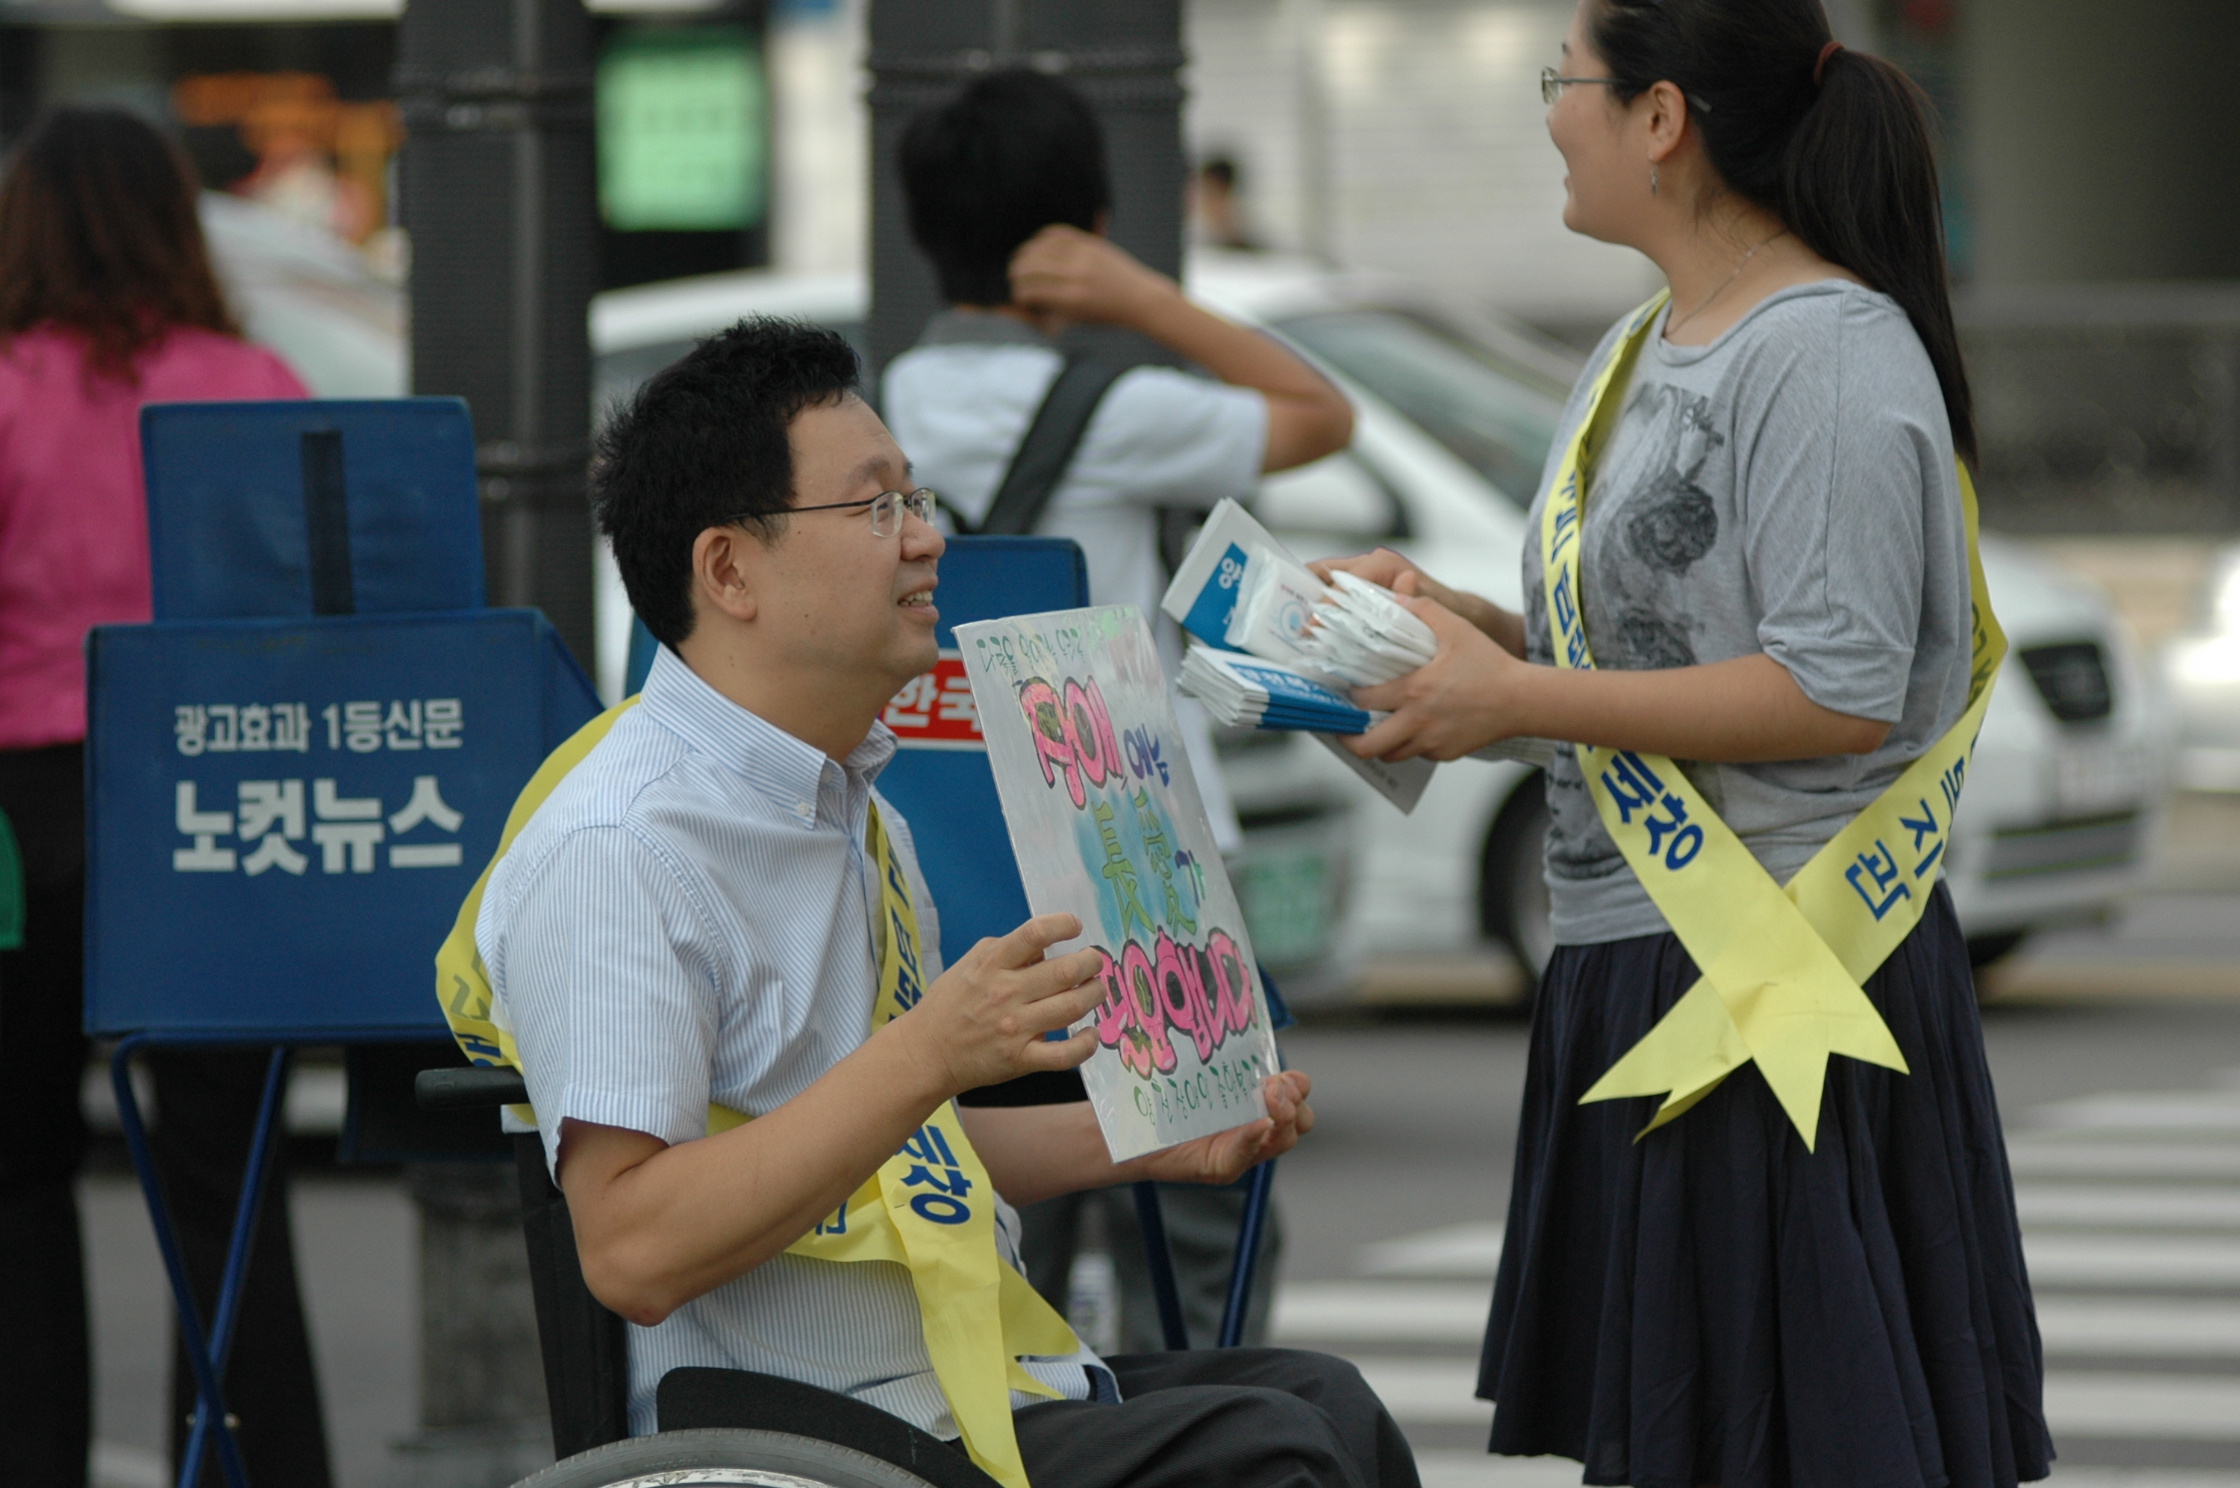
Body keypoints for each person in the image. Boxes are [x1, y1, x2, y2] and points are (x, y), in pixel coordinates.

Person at [470, 316, 1415, 1488]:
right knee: (1269, 1455)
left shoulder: (857, 809)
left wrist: (1141, 1140)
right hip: (793, 1439)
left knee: (1329, 1405)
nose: (927, 541)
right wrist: (929, 1050)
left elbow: (890, 1158)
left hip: (962, 1392)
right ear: (728, 569)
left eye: (916, 500)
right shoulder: (618, 846)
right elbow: (630, 1247)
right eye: (876, 508)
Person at [1314, 3, 2052, 1485]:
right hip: (1636, 954)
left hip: (1779, 972)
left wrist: (1522, 701)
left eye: (1563, 83)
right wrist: (1466, 639)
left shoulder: (1830, 351)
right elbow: (1660, 654)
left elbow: (1832, 688)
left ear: (1663, 118)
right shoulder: (1641, 343)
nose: (1548, 116)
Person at [882, 67, 1353, 1354]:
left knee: (999, 1205)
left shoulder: (878, 421)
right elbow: (1322, 415)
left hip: (950, 885)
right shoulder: (1123, 411)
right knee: (1196, 1209)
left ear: (922, 230)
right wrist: (1142, 296)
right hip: (1144, 864)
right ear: (1080, 225)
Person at [0, 107, 332, 1488]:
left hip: (18, 813)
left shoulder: (3, 387)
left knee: (14, 1184)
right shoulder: (251, 379)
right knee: (228, 1182)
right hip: (215, 800)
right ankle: (257, 1467)